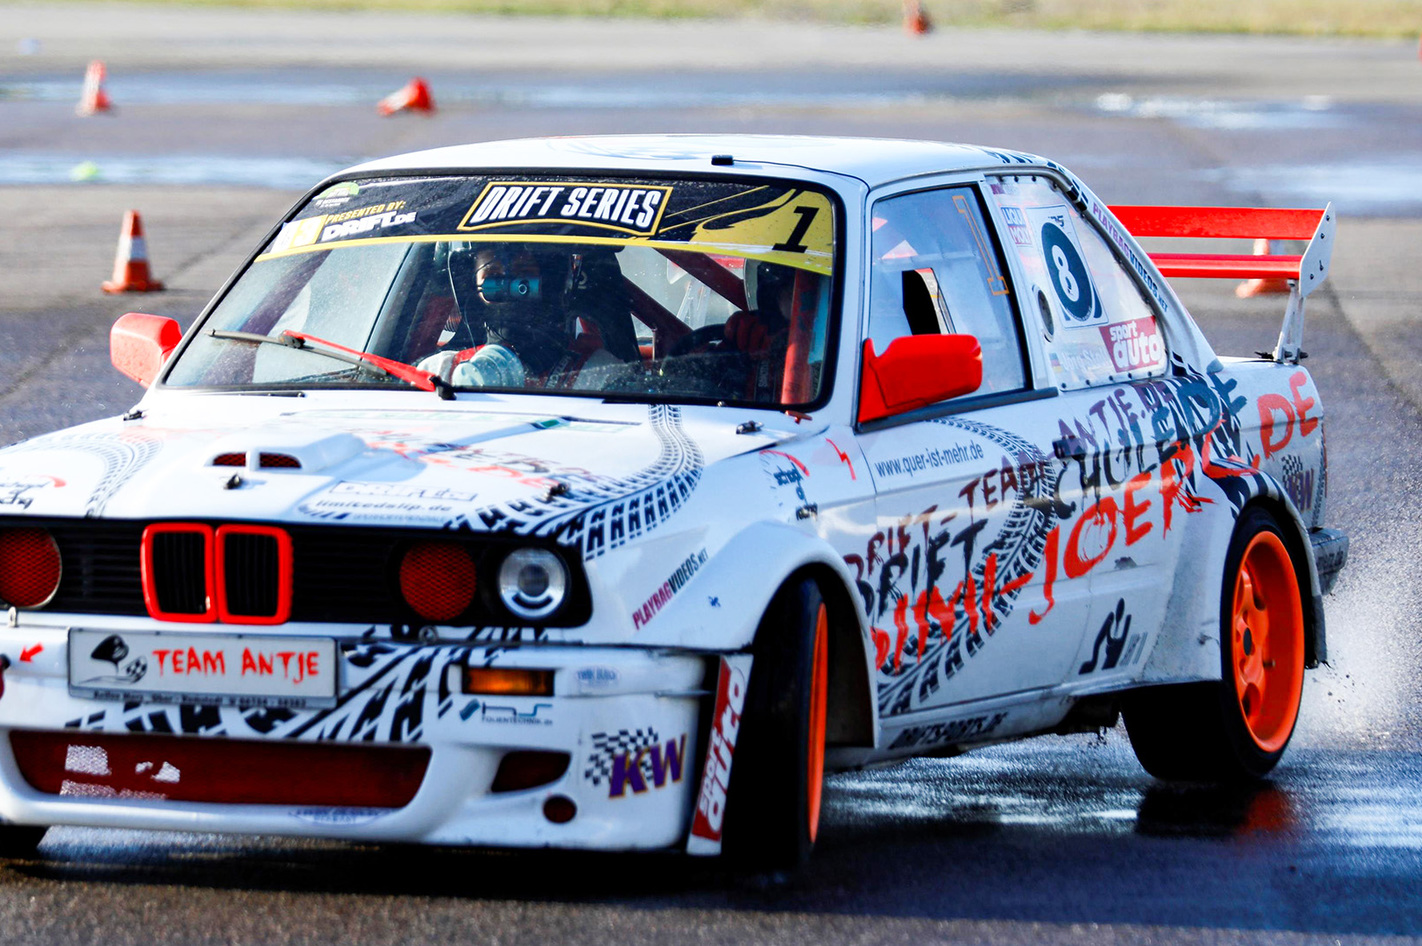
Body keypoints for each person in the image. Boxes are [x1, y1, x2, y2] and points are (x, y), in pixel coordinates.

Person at [419, 244, 623, 390]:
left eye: (524, 278)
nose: (509, 290)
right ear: (473, 289)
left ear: (551, 285)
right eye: (494, 279)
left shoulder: (599, 374)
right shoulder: (439, 372)